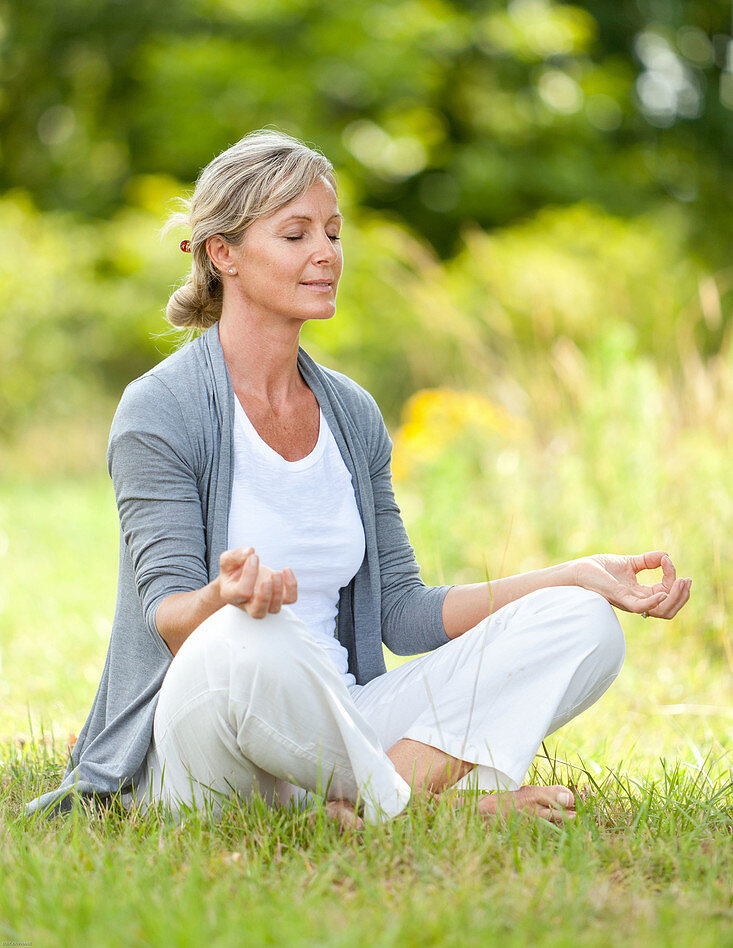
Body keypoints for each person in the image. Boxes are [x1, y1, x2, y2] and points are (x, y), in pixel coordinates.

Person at [26, 129, 692, 825]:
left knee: (582, 623)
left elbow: (402, 613)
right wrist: (223, 597)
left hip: (342, 727)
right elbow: (167, 620)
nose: (325, 254)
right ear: (223, 254)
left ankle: (365, 811)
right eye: (295, 234)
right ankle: (428, 809)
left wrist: (572, 574)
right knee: (249, 634)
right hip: (203, 745)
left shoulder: (350, 412)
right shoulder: (160, 408)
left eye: (332, 233)